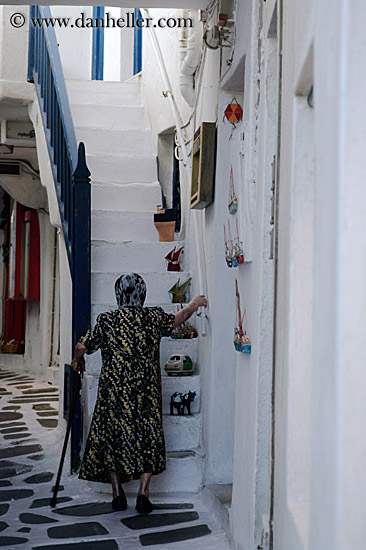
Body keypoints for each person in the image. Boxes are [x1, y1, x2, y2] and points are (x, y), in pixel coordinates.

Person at [72, 272, 207, 514]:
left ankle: (117, 493)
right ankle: (144, 493)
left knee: (111, 436)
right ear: (142, 294)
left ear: (117, 295)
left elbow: (83, 346)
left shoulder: (107, 320)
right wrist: (194, 304)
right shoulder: (153, 317)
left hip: (113, 392)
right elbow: (179, 319)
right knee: (149, 436)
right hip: (146, 391)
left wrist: (78, 359)